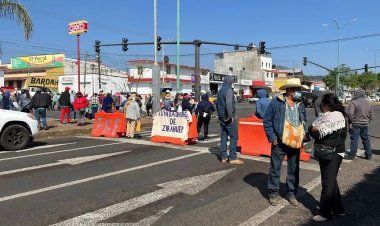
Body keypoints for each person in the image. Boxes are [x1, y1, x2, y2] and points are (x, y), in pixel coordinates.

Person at [263, 78, 307, 206]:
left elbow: (303, 120)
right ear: (290, 90)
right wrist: (272, 137)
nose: (299, 92)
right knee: (275, 169)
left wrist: (303, 135)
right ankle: (273, 193)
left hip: (295, 142)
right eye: (297, 90)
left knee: (294, 170)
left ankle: (291, 193)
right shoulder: (277, 102)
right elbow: (267, 120)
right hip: (279, 142)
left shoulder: (300, 104)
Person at [308, 93, 347, 222]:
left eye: (322, 105)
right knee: (331, 181)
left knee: (327, 183)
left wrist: (311, 128)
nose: (322, 108)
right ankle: (338, 209)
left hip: (331, 153)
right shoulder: (339, 116)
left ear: (326, 105)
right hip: (333, 152)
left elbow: (318, 133)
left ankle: (325, 213)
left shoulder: (332, 118)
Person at [216, 75, 244, 165]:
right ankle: (232, 157)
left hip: (221, 116)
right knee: (234, 136)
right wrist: (230, 115)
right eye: (232, 81)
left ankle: (223, 157)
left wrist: (220, 115)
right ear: (229, 81)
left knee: (224, 136)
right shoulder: (228, 90)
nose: (232, 82)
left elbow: (217, 104)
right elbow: (228, 104)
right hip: (227, 117)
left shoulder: (220, 91)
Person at [344, 89, 374, 160]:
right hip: (365, 124)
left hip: (355, 124)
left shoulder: (353, 102)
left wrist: (350, 122)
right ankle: (368, 155)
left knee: (354, 139)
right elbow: (371, 115)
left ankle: (352, 155)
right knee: (366, 139)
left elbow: (351, 115)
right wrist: (368, 121)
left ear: (356, 94)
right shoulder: (368, 102)